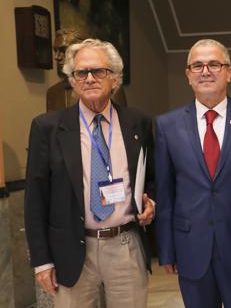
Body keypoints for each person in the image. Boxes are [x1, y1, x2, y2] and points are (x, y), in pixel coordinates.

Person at [25, 38, 155, 307]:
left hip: (125, 246)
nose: (89, 78)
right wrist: (41, 261)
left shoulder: (138, 123)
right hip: (71, 250)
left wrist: (150, 200)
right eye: (81, 72)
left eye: (99, 71)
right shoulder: (47, 128)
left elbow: (151, 177)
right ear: (72, 80)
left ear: (115, 78)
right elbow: (35, 199)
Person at [155, 39, 231, 308]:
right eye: (197, 65)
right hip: (191, 247)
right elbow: (165, 192)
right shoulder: (166, 125)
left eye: (214, 64)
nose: (206, 71)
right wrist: (166, 250)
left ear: (229, 72)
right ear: (188, 75)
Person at [47, 28, 127, 112]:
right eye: (55, 51)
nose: (56, 57)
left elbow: (122, 121)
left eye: (63, 50)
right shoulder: (53, 92)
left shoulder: (109, 87)